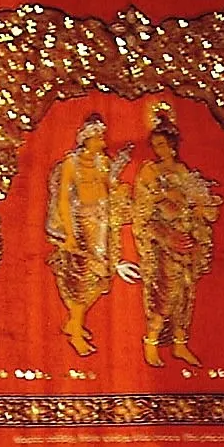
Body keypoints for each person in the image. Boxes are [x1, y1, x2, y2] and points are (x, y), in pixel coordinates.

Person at [130, 104, 222, 368]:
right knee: (165, 293)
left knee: (185, 295)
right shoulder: (149, 171)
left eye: (162, 144)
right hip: (164, 241)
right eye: (155, 145)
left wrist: (203, 209)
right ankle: (152, 341)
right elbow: (142, 209)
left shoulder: (184, 172)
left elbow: (197, 205)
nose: (158, 150)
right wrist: (163, 200)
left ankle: (181, 344)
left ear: (172, 145)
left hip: (187, 240)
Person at [45, 112, 134, 357]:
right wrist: (70, 234)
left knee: (102, 278)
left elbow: (109, 187)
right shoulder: (71, 165)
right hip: (82, 225)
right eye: (99, 138)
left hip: (103, 226)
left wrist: (118, 174)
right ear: (87, 138)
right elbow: (64, 200)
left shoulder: (102, 162)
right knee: (81, 279)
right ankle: (75, 332)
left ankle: (74, 321)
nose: (103, 142)